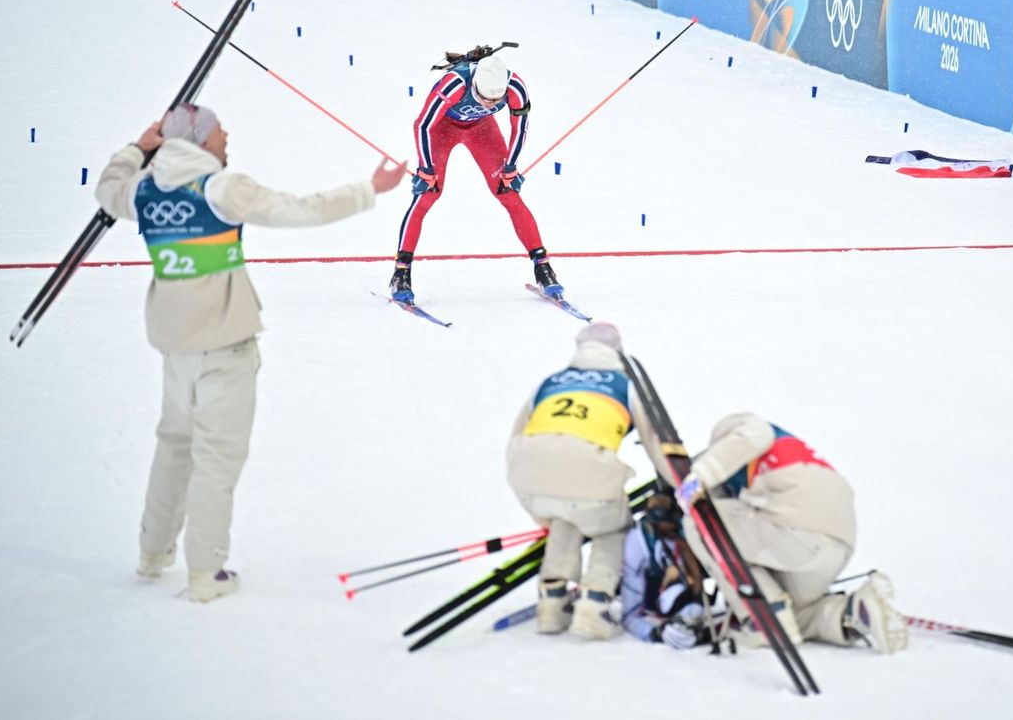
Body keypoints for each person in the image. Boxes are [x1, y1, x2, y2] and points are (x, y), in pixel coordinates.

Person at [95, 103, 406, 601]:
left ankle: (152, 554)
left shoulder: (143, 189)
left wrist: (137, 148)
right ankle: (205, 573)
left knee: (174, 446)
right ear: (199, 141)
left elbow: (108, 190)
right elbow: (303, 209)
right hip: (224, 346)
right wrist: (370, 190)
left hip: (175, 349)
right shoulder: (221, 187)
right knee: (216, 459)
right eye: (219, 130)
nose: (226, 135)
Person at [666, 414, 908, 653]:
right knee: (793, 615)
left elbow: (755, 432)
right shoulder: (789, 462)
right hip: (835, 547)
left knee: (700, 522)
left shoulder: (744, 433)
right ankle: (853, 612)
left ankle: (766, 618)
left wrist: (699, 477)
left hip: (798, 532)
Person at [507, 322, 655, 639]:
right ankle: (595, 606)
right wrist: (675, 483)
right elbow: (655, 439)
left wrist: (536, 507)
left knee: (566, 514)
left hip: (527, 471)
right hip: (588, 473)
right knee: (611, 527)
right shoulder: (625, 384)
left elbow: (516, 435)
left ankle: (552, 603)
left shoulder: (550, 382)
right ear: (617, 350)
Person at [388, 47, 559, 303]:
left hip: (481, 131)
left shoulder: (515, 88)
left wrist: (511, 167)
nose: (490, 103)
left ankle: (542, 266)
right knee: (427, 194)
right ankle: (401, 272)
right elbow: (423, 124)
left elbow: (519, 129)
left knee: (508, 193)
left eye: (495, 100)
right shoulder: (454, 84)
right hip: (441, 130)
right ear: (476, 84)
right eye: (484, 98)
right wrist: (426, 168)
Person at [621, 494, 710, 648]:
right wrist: (654, 633)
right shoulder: (637, 544)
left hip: (681, 596)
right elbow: (630, 616)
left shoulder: (682, 535)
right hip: (653, 597)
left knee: (693, 607)